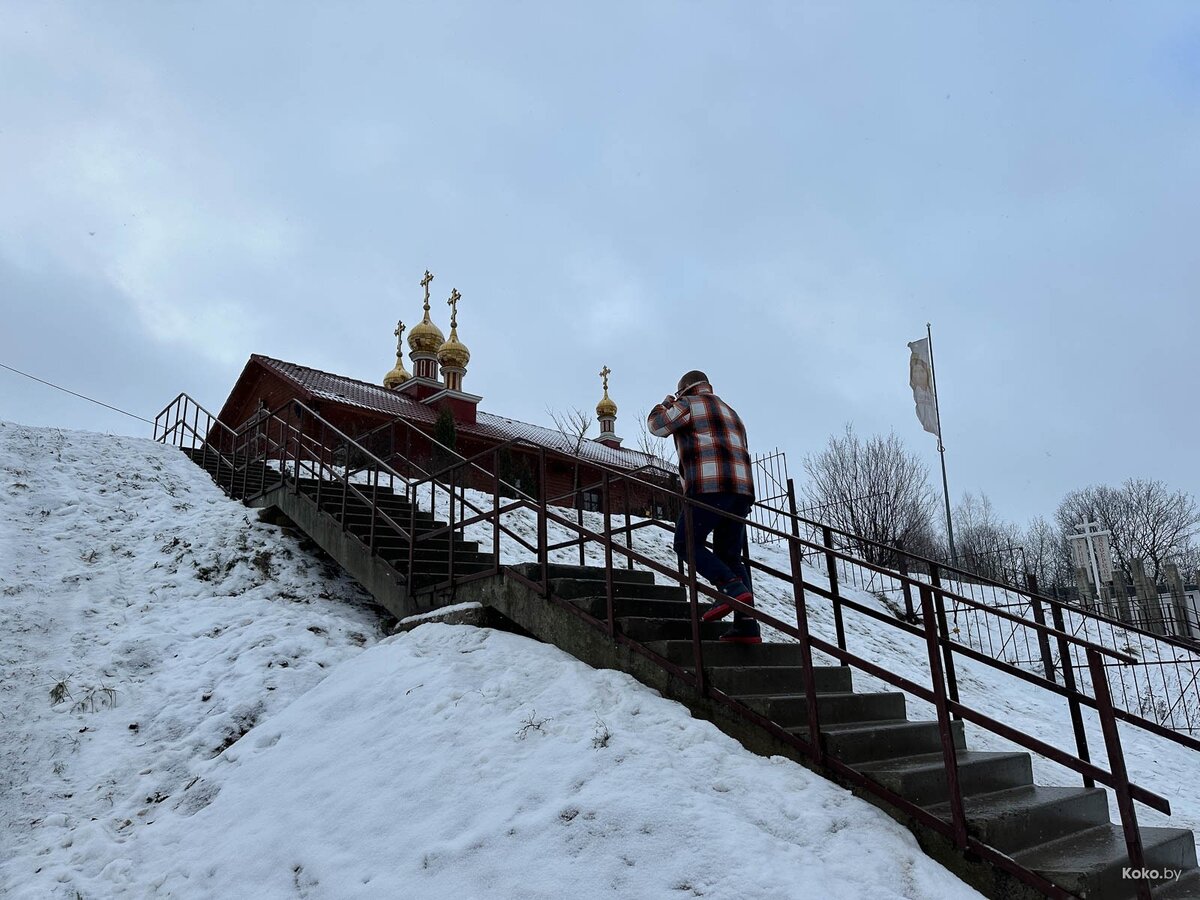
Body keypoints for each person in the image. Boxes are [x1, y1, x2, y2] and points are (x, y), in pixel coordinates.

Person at [647, 370, 760, 644]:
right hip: (741, 491)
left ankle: (730, 587)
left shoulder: (687, 404)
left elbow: (657, 426)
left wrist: (664, 403)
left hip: (709, 487)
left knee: (686, 543)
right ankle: (747, 625)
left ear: (685, 389)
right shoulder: (732, 412)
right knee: (730, 555)